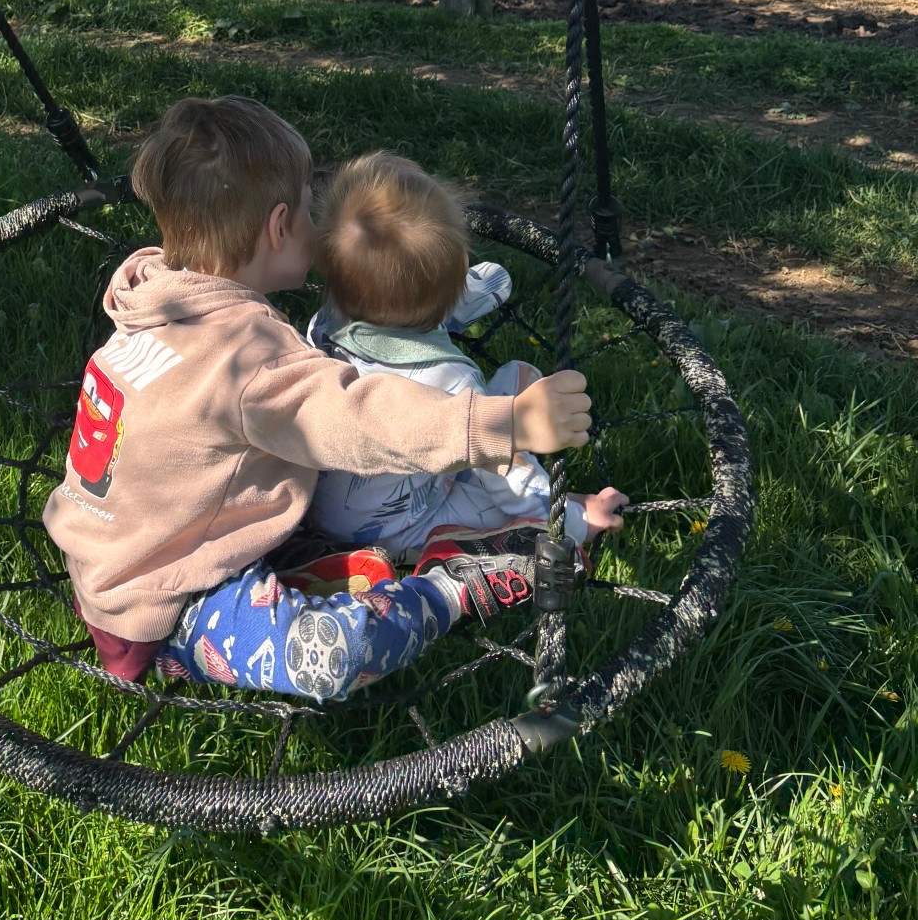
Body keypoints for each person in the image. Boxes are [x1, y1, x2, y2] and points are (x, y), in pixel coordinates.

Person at [42, 96, 596, 702]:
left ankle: (303, 564)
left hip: (99, 565)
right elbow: (358, 420)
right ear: (280, 226)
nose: (321, 228)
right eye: (311, 208)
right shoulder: (247, 360)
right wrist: (503, 424)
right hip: (173, 598)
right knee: (332, 658)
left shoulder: (150, 298)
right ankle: (453, 583)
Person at [307, 152, 628, 558]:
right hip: (402, 532)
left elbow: (403, 311)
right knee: (519, 382)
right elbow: (497, 466)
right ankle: (554, 512)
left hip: (319, 511)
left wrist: (465, 285)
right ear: (457, 274)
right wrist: (574, 523)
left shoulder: (327, 321)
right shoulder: (449, 381)